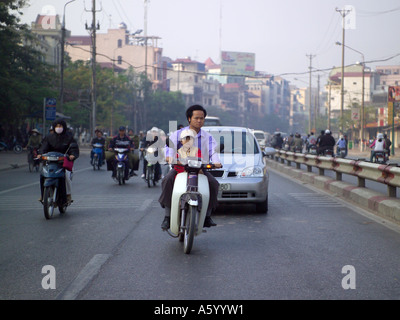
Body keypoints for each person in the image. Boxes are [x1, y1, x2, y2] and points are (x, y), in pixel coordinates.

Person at [159, 105, 222, 230]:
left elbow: (213, 152)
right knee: (167, 180)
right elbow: (170, 150)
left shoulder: (208, 137)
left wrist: (216, 162)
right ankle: (167, 216)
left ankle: (207, 215)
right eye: (196, 118)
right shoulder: (177, 135)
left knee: (213, 184)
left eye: (202, 118)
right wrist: (170, 158)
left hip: (200, 170)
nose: (199, 121)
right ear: (189, 119)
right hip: (179, 169)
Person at [37, 119, 79, 205]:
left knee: (67, 177)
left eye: (60, 126)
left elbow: (74, 148)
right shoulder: (49, 137)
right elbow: (43, 147)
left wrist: (72, 155)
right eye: (57, 126)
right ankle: (43, 194)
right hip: (50, 162)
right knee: (42, 174)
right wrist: (40, 154)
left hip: (63, 162)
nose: (58, 128)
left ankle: (68, 195)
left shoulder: (69, 137)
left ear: (64, 127)